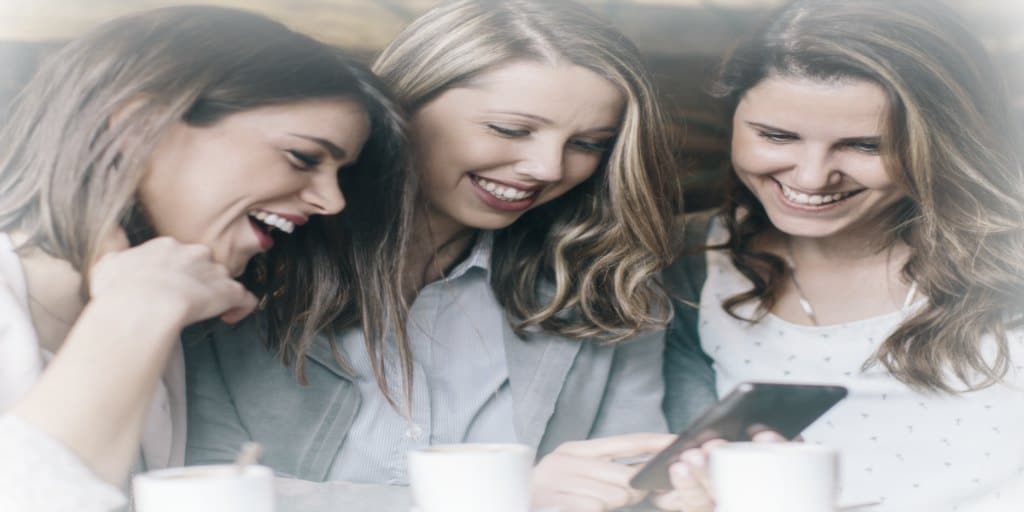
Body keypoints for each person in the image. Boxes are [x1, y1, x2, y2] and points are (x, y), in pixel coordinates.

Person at [185, 0, 687, 510]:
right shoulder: (244, 264)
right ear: (401, 105)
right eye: (510, 129)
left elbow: (632, 489)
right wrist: (502, 498)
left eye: (587, 143)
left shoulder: (606, 286)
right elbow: (195, 490)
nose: (547, 168)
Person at [0, 6, 409, 511]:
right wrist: (136, 311)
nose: (332, 202)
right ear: (136, 127)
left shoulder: (157, 303)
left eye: (341, 173)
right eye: (303, 158)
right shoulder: (141, 306)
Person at [659, 0, 1024, 511]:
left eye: (865, 146)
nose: (811, 178)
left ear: (941, 142)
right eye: (776, 136)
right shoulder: (690, 260)